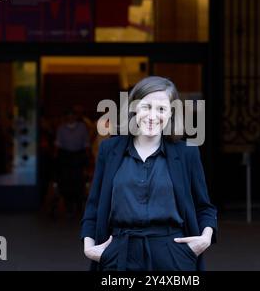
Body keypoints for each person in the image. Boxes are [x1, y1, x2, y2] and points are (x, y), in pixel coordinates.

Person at [80, 76, 217, 271]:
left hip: (173, 255)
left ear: (171, 113)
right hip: (118, 254)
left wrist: (205, 238)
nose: (152, 116)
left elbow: (204, 207)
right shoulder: (109, 150)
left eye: (161, 109)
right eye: (146, 107)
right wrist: (89, 248)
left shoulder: (187, 153)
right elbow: (93, 205)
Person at [54, 106, 90, 218]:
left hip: (78, 157)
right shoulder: (61, 128)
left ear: (75, 116)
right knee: (65, 182)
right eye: (68, 116)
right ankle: (69, 206)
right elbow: (58, 145)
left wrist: (87, 158)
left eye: (72, 115)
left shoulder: (82, 127)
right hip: (65, 158)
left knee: (79, 182)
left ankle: (78, 205)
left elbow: (86, 144)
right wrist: (56, 160)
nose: (70, 118)